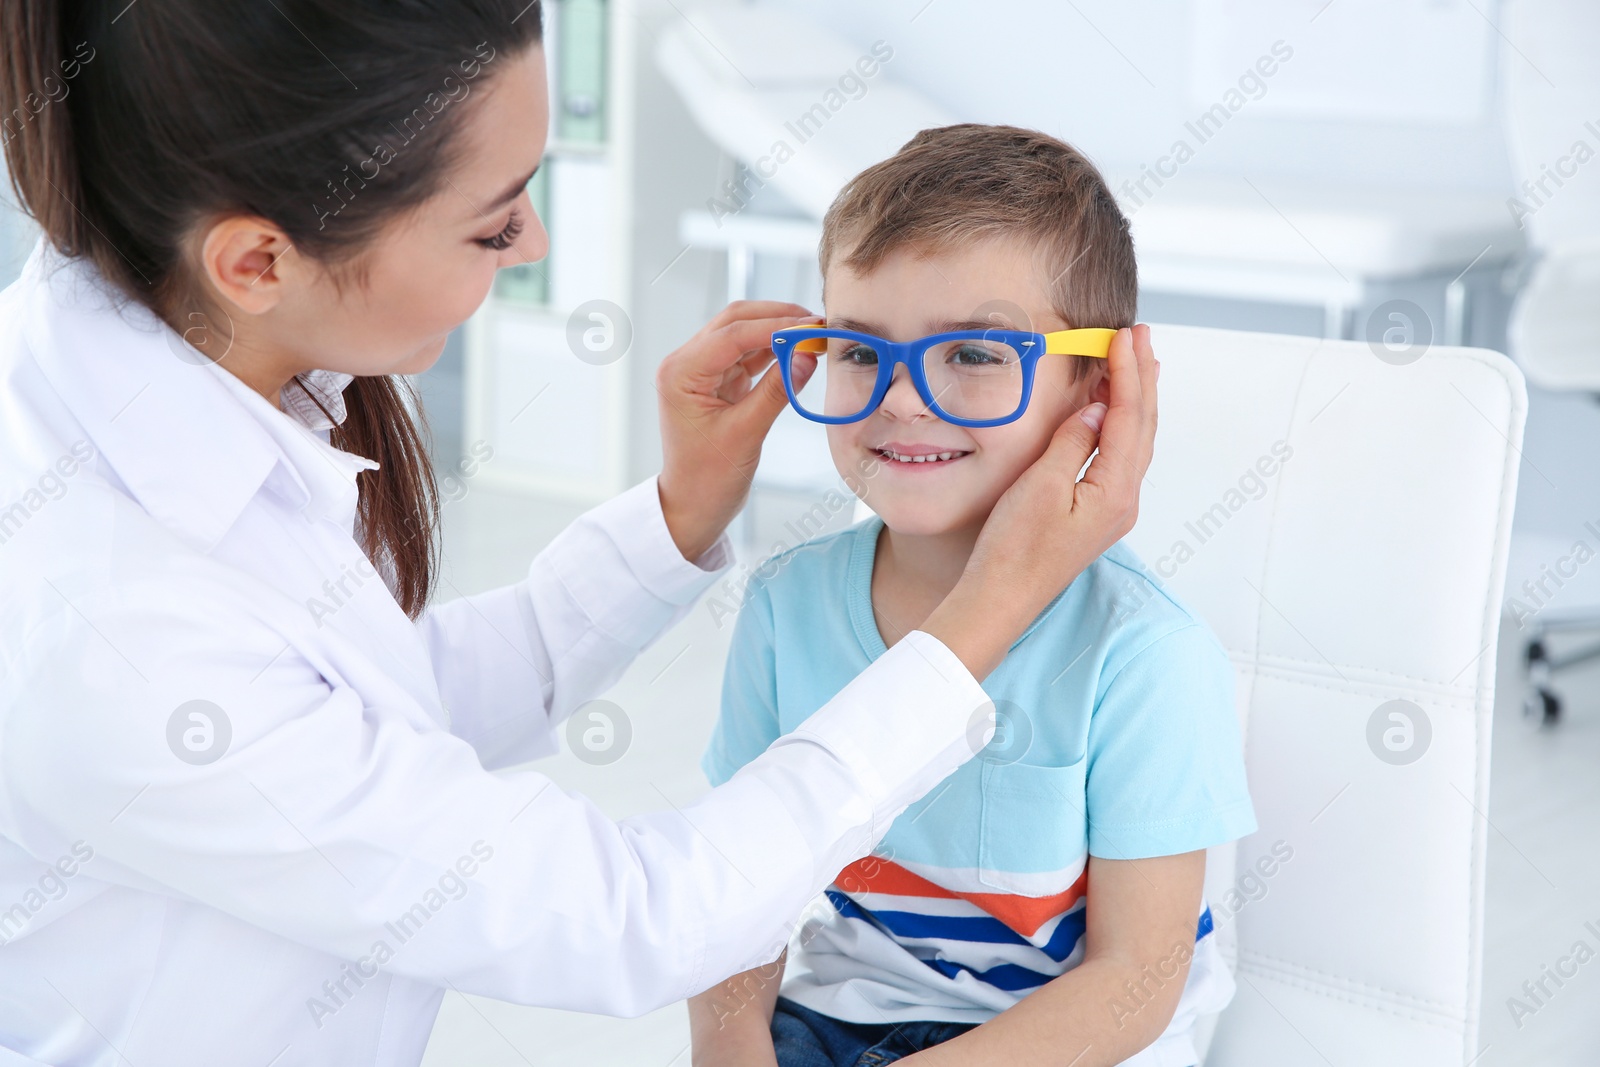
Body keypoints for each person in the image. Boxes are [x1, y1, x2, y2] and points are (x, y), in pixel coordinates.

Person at [0, 7, 1161, 1066]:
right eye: (493, 219)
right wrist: (983, 619)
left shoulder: (1141, 654)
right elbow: (643, 918)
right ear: (256, 262)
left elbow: (370, 722)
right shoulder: (103, 619)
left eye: (973, 353)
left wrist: (677, 516)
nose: (539, 242)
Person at [688, 125, 1253, 1067]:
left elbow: (1139, 977)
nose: (904, 400)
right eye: (860, 352)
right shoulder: (787, 605)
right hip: (838, 1022)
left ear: (1099, 384)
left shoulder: (1145, 653)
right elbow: (737, 882)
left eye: (978, 355)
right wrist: (731, 1044)